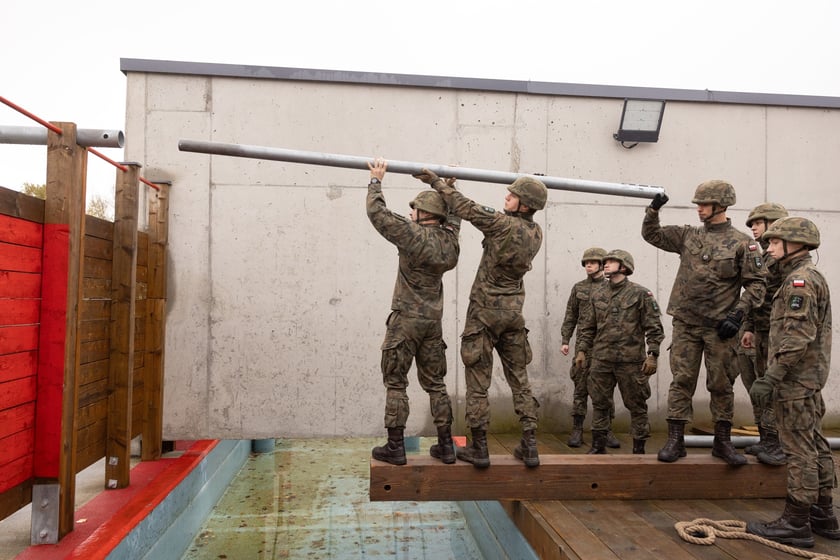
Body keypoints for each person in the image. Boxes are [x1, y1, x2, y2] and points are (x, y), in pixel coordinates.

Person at [414, 168, 547, 468]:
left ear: (525, 204)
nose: (506, 197)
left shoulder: (501, 224)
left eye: (512, 195)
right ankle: (530, 444)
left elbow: (466, 208)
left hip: (484, 314)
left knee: (477, 383)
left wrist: (436, 183)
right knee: (520, 382)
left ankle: (480, 447)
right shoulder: (536, 233)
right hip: (513, 314)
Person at [642, 180, 766, 465]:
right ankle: (676, 440)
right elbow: (652, 235)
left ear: (720, 206)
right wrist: (653, 208)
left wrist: (738, 315)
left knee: (721, 384)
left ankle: (722, 442)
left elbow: (758, 285)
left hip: (721, 328)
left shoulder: (742, 243)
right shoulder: (688, 236)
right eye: (698, 204)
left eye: (703, 204)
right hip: (686, 323)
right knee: (681, 380)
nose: (698, 209)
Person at [746, 216, 838, 547]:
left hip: (794, 381)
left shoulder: (800, 282)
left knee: (798, 449)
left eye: (773, 242)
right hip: (805, 379)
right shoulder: (805, 277)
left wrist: (771, 377)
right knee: (814, 443)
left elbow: (797, 336)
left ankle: (796, 522)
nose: (768, 247)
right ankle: (823, 515)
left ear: (794, 244)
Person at [366, 158, 460, 466]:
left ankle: (395, 447)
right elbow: (455, 217)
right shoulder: (450, 243)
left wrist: (376, 181)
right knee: (436, 384)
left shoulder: (411, 234)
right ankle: (446, 445)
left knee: (396, 382)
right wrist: (448, 188)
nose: (410, 214)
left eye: (415, 210)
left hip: (405, 320)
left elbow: (377, 214)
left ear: (424, 214)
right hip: (432, 323)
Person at [576, 249, 664, 454]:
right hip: (601, 359)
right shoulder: (597, 294)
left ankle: (639, 449)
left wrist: (653, 354)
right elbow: (588, 327)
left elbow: (654, 327)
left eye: (611, 261)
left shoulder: (641, 293)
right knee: (599, 404)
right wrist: (581, 350)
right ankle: (598, 447)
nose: (605, 264)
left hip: (631, 361)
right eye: (604, 262)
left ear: (623, 266)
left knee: (637, 405)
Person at [739, 202, 788, 465]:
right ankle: (767, 438)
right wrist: (749, 328)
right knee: (759, 386)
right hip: (761, 332)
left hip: (776, 334)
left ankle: (777, 442)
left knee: (773, 388)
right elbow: (757, 297)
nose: (754, 228)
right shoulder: (765, 257)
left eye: (758, 223)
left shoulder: (783, 261)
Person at [560, 247, 620, 449]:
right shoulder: (579, 288)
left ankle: (606, 430)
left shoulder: (612, 288)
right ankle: (577, 429)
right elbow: (571, 315)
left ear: (602, 264)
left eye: (593, 262)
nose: (588, 265)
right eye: (586, 262)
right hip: (583, 346)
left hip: (605, 345)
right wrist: (565, 339)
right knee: (580, 386)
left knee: (605, 388)